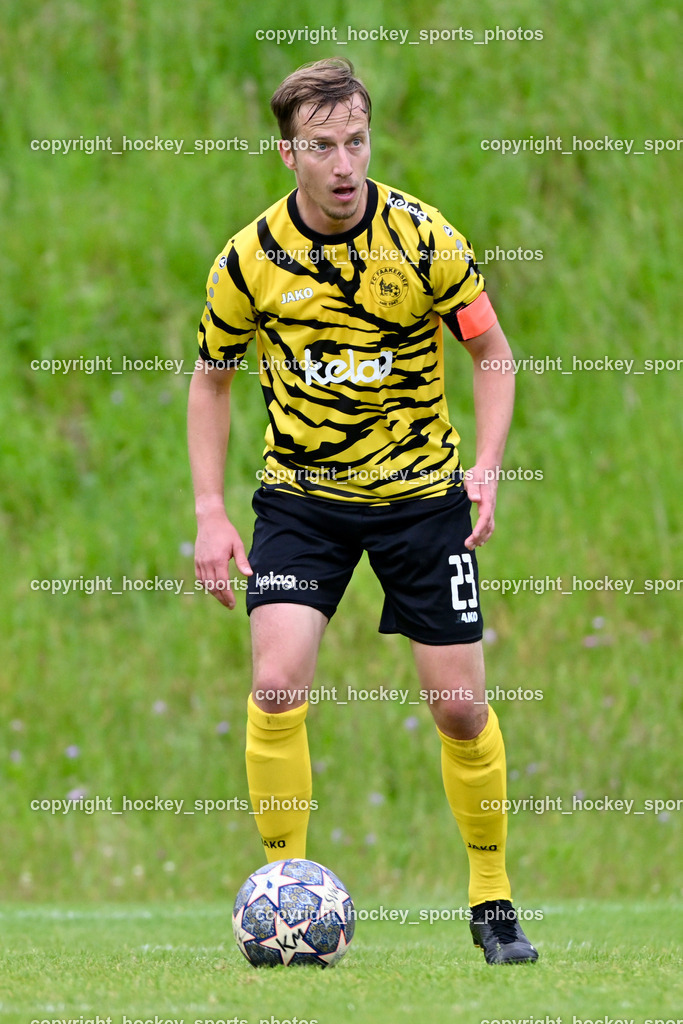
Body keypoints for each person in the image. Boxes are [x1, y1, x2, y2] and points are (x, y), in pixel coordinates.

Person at [188, 57, 538, 965]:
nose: (343, 164)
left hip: (421, 500)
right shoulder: (249, 261)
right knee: (276, 683)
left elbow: (492, 356)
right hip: (302, 502)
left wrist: (486, 467)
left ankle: (492, 900)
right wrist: (210, 510)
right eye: (321, 147)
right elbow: (212, 381)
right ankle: (285, 894)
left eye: (355, 141)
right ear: (287, 154)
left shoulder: (423, 238)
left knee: (459, 708)